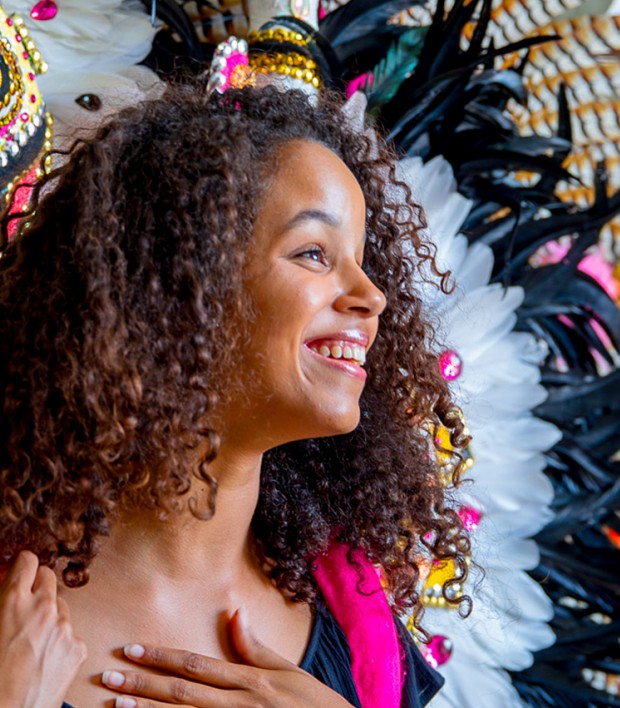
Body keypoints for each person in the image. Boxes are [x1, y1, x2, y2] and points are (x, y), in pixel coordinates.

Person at [0, 84, 470, 706]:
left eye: (361, 261)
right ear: (179, 285)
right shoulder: (12, 631)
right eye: (313, 253)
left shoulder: (365, 631)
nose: (371, 296)